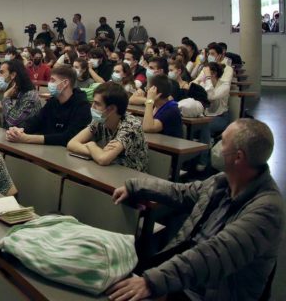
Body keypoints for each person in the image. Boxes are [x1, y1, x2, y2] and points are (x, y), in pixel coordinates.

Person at [109, 118, 283, 301]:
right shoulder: (223, 181)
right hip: (184, 274)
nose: (216, 147)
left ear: (238, 157)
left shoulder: (267, 211)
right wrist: (135, 186)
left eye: (223, 142)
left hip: (206, 292)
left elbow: (214, 255)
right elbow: (180, 192)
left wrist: (152, 282)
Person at [67, 82, 148, 171]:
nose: (92, 107)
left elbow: (103, 159)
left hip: (130, 175)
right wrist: (96, 152)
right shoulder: (100, 120)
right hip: (107, 171)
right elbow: (72, 144)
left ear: (112, 109)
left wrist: (92, 145)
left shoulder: (131, 126)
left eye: (97, 104)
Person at [6, 65, 91, 145]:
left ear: (65, 83)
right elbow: (36, 121)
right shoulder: (53, 101)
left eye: (53, 80)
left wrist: (28, 139)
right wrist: (19, 130)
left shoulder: (82, 106)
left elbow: (69, 137)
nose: (49, 83)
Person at [192, 62, 232, 172]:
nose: (202, 74)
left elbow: (210, 97)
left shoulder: (224, 86)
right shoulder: (204, 83)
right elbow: (193, 90)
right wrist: (198, 81)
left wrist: (208, 78)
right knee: (191, 126)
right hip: (204, 116)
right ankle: (190, 158)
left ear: (213, 73)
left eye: (204, 72)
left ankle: (203, 161)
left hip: (220, 117)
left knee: (205, 126)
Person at [0, 59, 42, 129]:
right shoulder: (15, 90)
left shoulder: (30, 95)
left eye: (2, 72)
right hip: (13, 131)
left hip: (27, 133)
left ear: (13, 75)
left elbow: (13, 121)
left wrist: (6, 98)